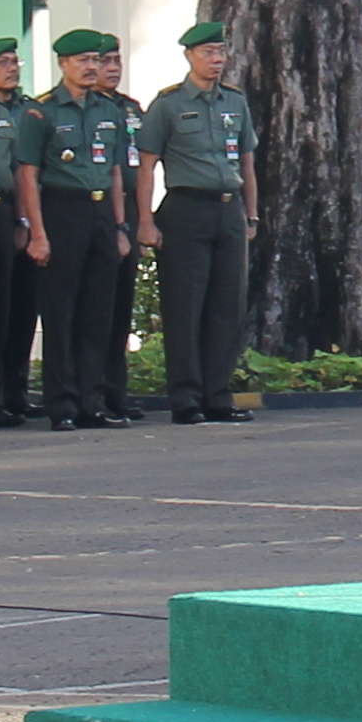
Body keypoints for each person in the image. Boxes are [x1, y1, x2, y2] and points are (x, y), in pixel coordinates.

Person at [144, 21, 258, 422]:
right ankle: (186, 397)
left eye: (221, 52)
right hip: (185, 208)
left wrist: (251, 214)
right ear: (189, 56)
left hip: (228, 209)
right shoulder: (169, 105)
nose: (216, 60)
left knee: (227, 306)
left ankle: (217, 393)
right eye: (207, 53)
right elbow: (147, 164)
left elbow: (246, 162)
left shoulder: (234, 102)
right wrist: (146, 220)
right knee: (185, 306)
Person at [33, 29, 147, 425]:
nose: (91, 68)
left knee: (99, 313)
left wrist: (120, 227)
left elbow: (116, 172)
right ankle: (62, 403)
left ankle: (93, 400)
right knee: (61, 312)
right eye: (82, 61)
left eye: (95, 61)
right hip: (62, 210)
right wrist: (37, 232)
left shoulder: (109, 111)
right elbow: (28, 175)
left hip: (102, 212)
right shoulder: (43, 112)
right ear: (63, 64)